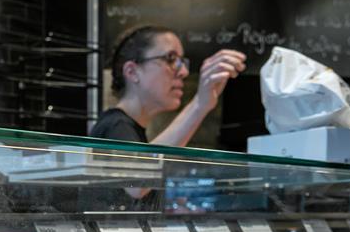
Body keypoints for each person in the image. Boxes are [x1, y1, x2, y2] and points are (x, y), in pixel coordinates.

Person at [91, 25, 246, 147]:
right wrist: (199, 104)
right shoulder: (116, 126)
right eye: (170, 59)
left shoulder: (127, 128)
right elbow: (135, 184)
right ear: (132, 72)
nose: (184, 72)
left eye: (182, 61)